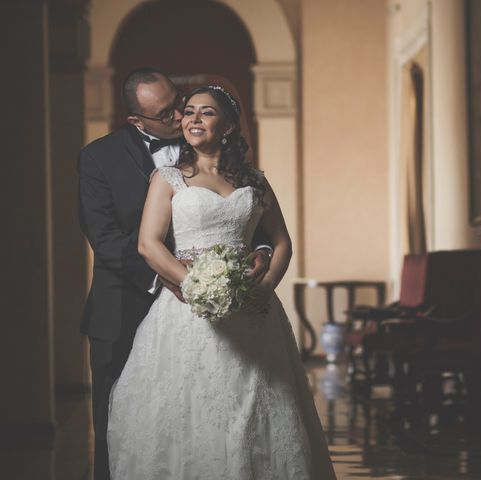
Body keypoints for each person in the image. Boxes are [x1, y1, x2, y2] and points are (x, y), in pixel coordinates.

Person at [107, 85, 336, 479]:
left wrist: (264, 289)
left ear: (227, 125)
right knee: (192, 405)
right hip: (186, 311)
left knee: (255, 402)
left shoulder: (255, 181)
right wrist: (195, 285)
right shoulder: (168, 178)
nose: (194, 119)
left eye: (207, 113)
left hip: (253, 311)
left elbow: (281, 242)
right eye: (189, 111)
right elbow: (149, 245)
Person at [77, 69, 271, 480]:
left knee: (210, 413)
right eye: (166, 114)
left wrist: (261, 250)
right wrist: (170, 277)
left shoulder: (208, 139)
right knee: (120, 421)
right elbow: (105, 238)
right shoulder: (98, 157)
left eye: (179, 102)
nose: (181, 115)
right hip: (125, 304)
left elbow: (252, 213)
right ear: (137, 120)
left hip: (213, 310)